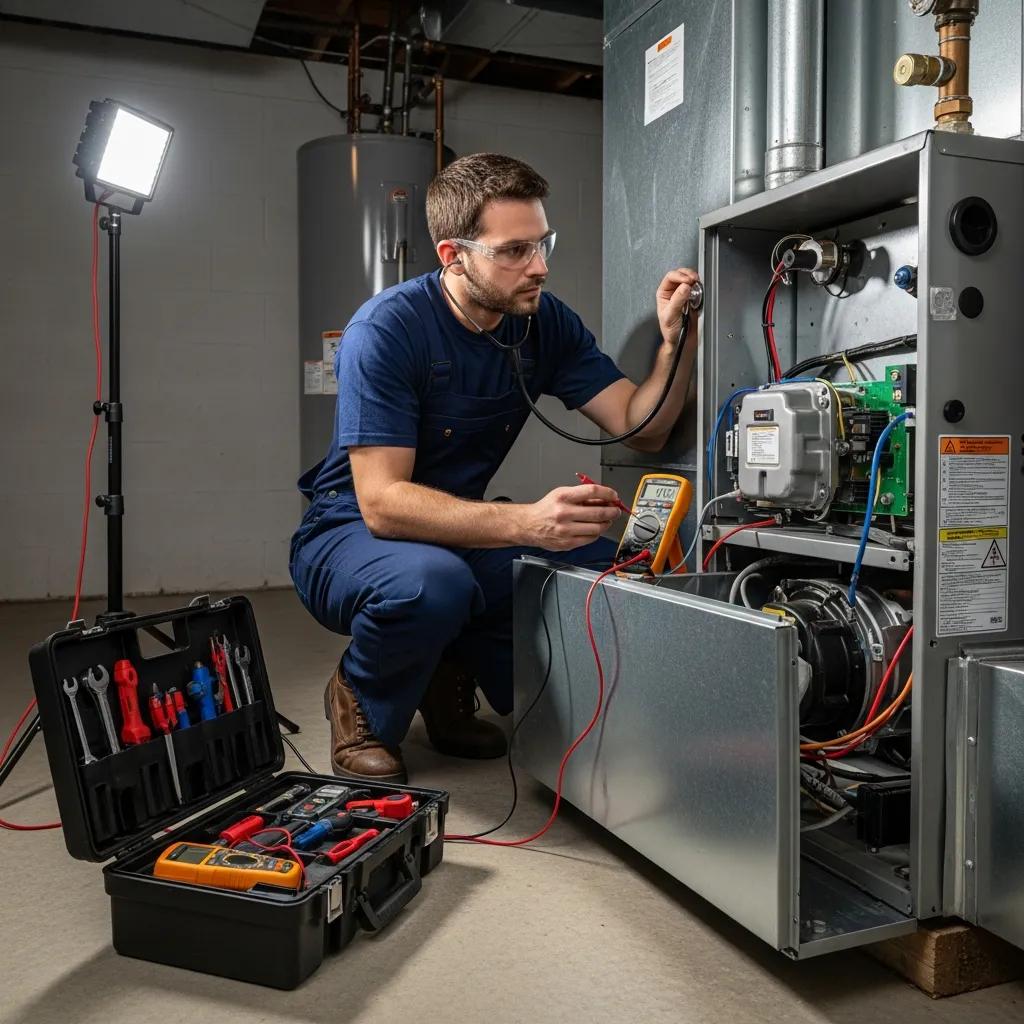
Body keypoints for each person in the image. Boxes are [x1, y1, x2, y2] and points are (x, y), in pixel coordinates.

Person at [290, 152, 699, 782]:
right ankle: (359, 699)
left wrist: (676, 343)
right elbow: (382, 503)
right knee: (433, 583)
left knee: (602, 569)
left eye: (542, 244)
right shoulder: (387, 329)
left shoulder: (542, 320)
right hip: (352, 534)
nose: (539, 266)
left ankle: (449, 673)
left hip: (457, 531)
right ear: (453, 256)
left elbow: (640, 427)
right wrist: (527, 523)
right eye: (514, 251)